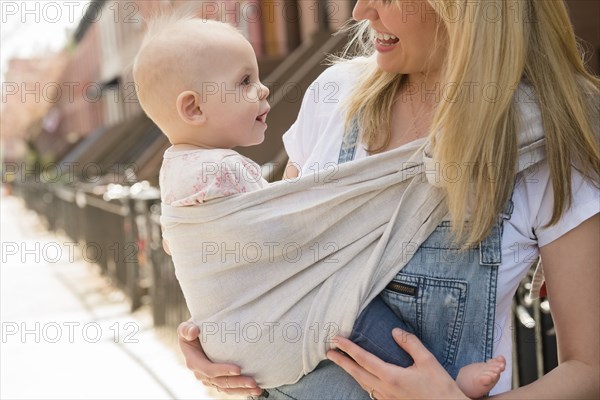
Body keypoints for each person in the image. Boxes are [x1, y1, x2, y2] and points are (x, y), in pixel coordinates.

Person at [177, 0, 599, 399]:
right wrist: (220, 336)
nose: (361, 10)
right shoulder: (333, 98)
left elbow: (589, 368)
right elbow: (275, 263)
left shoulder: (545, 141)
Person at [133, 8, 507, 398]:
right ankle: (447, 381)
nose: (263, 90)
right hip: (277, 334)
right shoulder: (226, 170)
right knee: (356, 316)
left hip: (240, 349)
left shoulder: (172, 172)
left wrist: (215, 322)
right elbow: (288, 231)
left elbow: (191, 247)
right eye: (244, 81)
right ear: (193, 108)